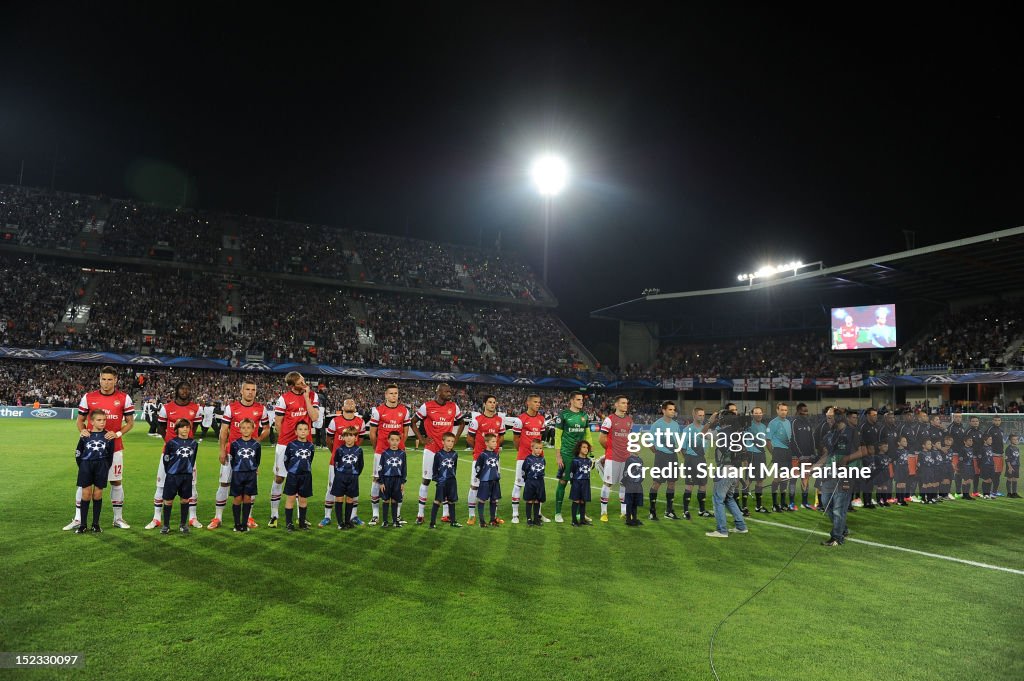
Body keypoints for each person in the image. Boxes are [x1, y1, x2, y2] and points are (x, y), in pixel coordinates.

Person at [66, 366, 134, 531]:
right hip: (91, 449)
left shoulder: (124, 398)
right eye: (104, 379)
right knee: (84, 484)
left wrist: (117, 434)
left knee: (116, 481)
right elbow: (80, 420)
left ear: (115, 380)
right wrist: (82, 430)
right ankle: (78, 518)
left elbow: (130, 422)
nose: (106, 383)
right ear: (99, 379)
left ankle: (118, 518)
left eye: (110, 379)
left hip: (114, 448)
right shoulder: (89, 397)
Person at [212, 379, 269, 530]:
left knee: (250, 487)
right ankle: (218, 517)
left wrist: (257, 440)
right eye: (247, 389)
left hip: (249, 456)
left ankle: (248, 516)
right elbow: (224, 430)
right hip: (232, 454)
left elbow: (267, 428)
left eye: (253, 390)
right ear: (241, 391)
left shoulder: (261, 409)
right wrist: (222, 450)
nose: (250, 392)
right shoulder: (232, 408)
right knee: (224, 483)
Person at [146, 382, 202, 530]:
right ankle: (157, 518)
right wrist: (170, 443)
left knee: (192, 486)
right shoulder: (167, 407)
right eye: (182, 388)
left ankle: (192, 518)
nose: (185, 391)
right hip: (169, 453)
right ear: (177, 390)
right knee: (161, 485)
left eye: (187, 388)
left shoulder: (196, 408)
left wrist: (186, 441)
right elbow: (160, 426)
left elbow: (194, 427)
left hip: (187, 455)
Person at [270, 372, 319, 528]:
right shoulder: (284, 398)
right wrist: (285, 440)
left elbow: (315, 417)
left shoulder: (312, 395)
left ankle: (300, 518)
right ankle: (274, 514)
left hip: (305, 445)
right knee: (279, 478)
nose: (304, 383)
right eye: (300, 381)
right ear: (292, 385)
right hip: (285, 444)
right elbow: (278, 423)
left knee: (301, 478)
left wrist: (306, 398)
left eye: (303, 379)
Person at [414, 383, 464, 525]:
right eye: (447, 391)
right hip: (431, 450)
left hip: (446, 452)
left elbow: (462, 423)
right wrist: (422, 439)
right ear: (439, 392)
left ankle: (446, 514)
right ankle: (420, 514)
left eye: (450, 390)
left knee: (447, 481)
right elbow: (413, 422)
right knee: (426, 480)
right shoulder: (427, 406)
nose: (450, 393)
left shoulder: (454, 407)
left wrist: (456, 439)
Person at [814, 409, 865, 546]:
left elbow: (863, 451)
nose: (828, 421)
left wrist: (846, 459)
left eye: (831, 418)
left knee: (839, 507)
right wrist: (811, 468)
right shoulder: (830, 435)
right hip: (830, 473)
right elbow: (826, 456)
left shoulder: (854, 432)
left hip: (847, 473)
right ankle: (843, 529)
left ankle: (836, 537)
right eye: (827, 418)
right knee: (826, 503)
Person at [367, 384, 412, 525]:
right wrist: (377, 448)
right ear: (386, 395)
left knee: (399, 481)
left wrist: (398, 448)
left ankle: (397, 515)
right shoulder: (378, 411)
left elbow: (405, 432)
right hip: (381, 452)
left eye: (396, 393)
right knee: (376, 480)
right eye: (391, 393)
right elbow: (372, 433)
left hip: (398, 453)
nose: (394, 396)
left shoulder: (404, 411)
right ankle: (375, 515)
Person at [321, 399, 367, 527]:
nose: (350, 404)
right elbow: (329, 439)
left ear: (355, 406)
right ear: (342, 407)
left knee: (352, 490)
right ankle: (327, 516)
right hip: (336, 462)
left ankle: (353, 516)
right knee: (331, 489)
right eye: (347, 403)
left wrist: (354, 452)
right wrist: (335, 453)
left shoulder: (360, 422)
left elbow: (361, 439)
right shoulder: (335, 421)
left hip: (352, 463)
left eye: (353, 403)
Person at [465, 394, 505, 525]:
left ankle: (494, 516)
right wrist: (479, 450)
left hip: (494, 461)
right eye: (490, 402)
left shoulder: (500, 420)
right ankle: (472, 515)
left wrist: (495, 449)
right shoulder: (477, 420)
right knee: (474, 486)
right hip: (479, 459)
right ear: (484, 404)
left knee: (494, 486)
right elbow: (469, 438)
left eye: (494, 402)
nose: (492, 404)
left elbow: (501, 438)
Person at [73, 410, 115, 534]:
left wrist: (105, 466)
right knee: (85, 495)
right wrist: (82, 465)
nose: (102, 422)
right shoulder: (85, 434)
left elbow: (110, 455)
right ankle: (83, 524)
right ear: (91, 421)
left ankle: (95, 524)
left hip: (101, 467)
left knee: (97, 495)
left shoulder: (108, 436)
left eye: (104, 420)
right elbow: (78, 452)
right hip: (86, 466)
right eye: (99, 420)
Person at [552, 391, 589, 523]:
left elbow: (587, 435)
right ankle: (557, 513)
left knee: (579, 483)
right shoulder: (563, 415)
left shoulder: (585, 415)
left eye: (582, 400)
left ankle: (579, 513)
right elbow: (557, 437)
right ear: (572, 401)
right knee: (563, 481)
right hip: (566, 454)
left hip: (579, 456)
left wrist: (588, 453)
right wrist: (558, 456)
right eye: (578, 399)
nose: (581, 402)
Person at [160, 419, 199, 535]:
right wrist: (171, 471)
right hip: (172, 476)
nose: (185, 429)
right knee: (168, 500)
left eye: (187, 427)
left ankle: (183, 524)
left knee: (185, 500)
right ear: (177, 429)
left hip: (186, 476)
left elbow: (193, 458)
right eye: (182, 427)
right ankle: (166, 525)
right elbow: (166, 459)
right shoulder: (171, 443)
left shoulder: (194, 443)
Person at [511, 394, 546, 523]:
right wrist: (522, 451)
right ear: (528, 403)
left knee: (538, 486)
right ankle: (515, 514)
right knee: (519, 484)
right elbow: (516, 439)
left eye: (539, 402)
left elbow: (540, 438)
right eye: (535, 402)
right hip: (523, 457)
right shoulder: (520, 419)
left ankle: (538, 514)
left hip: (538, 458)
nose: (538, 404)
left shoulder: (541, 419)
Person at [597, 395, 632, 522]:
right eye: (623, 403)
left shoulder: (629, 420)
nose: (625, 405)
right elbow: (601, 439)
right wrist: (610, 450)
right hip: (612, 457)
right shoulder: (609, 419)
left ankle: (623, 512)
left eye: (626, 403)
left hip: (625, 457)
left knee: (624, 484)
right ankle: (603, 512)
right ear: (616, 405)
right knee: (608, 483)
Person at [648, 400, 681, 520]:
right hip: (661, 457)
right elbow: (649, 441)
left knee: (672, 482)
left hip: (673, 457)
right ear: (663, 410)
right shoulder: (657, 424)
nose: (673, 412)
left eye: (673, 410)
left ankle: (669, 511)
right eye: (670, 409)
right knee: (657, 483)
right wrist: (657, 451)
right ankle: (652, 511)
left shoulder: (676, 425)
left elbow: (677, 441)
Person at [681, 407, 715, 520]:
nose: (702, 417)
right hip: (690, 459)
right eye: (699, 415)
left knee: (703, 484)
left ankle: (702, 510)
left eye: (703, 415)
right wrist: (688, 460)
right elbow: (682, 448)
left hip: (701, 459)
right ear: (694, 415)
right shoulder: (687, 430)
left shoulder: (705, 429)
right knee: (689, 485)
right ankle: (685, 511)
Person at [228, 418, 261, 532]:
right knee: (237, 498)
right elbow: (232, 459)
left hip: (250, 475)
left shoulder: (256, 444)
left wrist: (253, 469)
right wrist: (237, 469)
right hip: (238, 474)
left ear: (253, 429)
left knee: (247, 498)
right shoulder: (235, 444)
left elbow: (257, 460)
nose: (246, 430)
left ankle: (244, 523)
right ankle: (237, 524)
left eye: (248, 427)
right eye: (243, 428)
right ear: (239, 429)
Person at [283, 421, 316, 532]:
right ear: (296, 432)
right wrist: (292, 471)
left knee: (303, 499)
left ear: (308, 431)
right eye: (300, 429)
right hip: (293, 476)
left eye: (305, 429)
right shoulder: (291, 445)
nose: (303, 431)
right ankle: (289, 523)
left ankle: (302, 523)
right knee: (291, 498)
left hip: (306, 476)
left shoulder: (311, 446)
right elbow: (286, 461)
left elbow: (310, 460)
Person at [330, 427, 364, 530]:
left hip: (353, 478)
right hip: (340, 477)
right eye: (346, 436)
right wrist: (339, 474)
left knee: (350, 499)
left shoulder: (359, 450)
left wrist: (355, 474)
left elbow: (360, 465)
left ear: (355, 438)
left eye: (351, 435)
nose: (349, 438)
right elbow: (336, 464)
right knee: (339, 498)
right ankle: (340, 523)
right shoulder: (339, 450)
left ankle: (347, 521)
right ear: (343, 437)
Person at [429, 432, 461, 529]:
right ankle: (432, 523)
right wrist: (437, 479)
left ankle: (453, 521)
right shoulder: (438, 454)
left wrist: (452, 476)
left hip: (451, 481)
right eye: (448, 441)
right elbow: (434, 468)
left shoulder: (455, 454)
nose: (450, 443)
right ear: (443, 442)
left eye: (452, 441)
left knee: (451, 501)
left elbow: (454, 467)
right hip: (442, 482)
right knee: (437, 501)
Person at [766, 403, 793, 512]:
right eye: (781, 410)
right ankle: (775, 504)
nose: (783, 412)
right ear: (777, 411)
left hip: (788, 452)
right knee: (777, 477)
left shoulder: (788, 422)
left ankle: (783, 503)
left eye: (785, 410)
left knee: (785, 477)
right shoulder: (772, 423)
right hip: (778, 451)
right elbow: (767, 441)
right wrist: (774, 454)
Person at [378, 432, 407, 528]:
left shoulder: (402, 453)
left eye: (397, 440)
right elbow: (380, 468)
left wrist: (403, 482)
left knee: (395, 500)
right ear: (388, 440)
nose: (394, 442)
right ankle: (385, 521)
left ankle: (395, 521)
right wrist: (381, 482)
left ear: (400, 441)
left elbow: (404, 469)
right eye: (392, 440)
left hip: (397, 480)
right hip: (386, 480)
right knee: (385, 500)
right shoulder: (384, 453)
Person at [474, 433, 502, 527]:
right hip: (485, 481)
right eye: (493, 441)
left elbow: (497, 467)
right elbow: (478, 467)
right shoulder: (482, 455)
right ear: (486, 443)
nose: (495, 443)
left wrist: (497, 475)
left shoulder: (496, 454)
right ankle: (482, 521)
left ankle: (492, 520)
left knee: (494, 500)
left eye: (496, 441)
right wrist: (481, 477)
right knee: (482, 500)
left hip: (495, 481)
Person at [746, 407, 770, 513]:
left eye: (760, 413)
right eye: (756, 413)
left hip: (761, 455)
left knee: (760, 480)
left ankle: (758, 506)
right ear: (752, 414)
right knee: (748, 480)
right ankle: (744, 506)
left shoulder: (764, 426)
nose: (759, 415)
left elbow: (766, 441)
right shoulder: (748, 426)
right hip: (751, 455)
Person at [522, 439, 547, 527]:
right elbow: (524, 470)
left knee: (537, 500)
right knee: (529, 500)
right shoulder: (528, 459)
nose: (539, 450)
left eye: (540, 448)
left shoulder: (542, 459)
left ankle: (536, 518)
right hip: (530, 482)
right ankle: (529, 519)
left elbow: (543, 469)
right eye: (537, 448)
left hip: (539, 482)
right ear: (532, 448)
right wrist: (527, 480)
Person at [569, 440, 595, 526]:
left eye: (587, 447)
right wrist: (573, 482)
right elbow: (572, 472)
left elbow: (590, 469)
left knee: (583, 501)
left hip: (586, 483)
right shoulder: (575, 460)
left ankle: (582, 519)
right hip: (577, 483)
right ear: (579, 448)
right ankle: (574, 521)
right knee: (576, 501)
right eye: (584, 447)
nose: (586, 449)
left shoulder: (589, 460)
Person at [622, 446, 645, 527]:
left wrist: (641, 480)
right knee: (630, 502)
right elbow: (625, 471)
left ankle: (634, 518)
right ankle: (628, 519)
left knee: (635, 502)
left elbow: (642, 471)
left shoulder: (640, 460)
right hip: (630, 484)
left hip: (637, 484)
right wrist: (626, 482)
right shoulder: (629, 459)